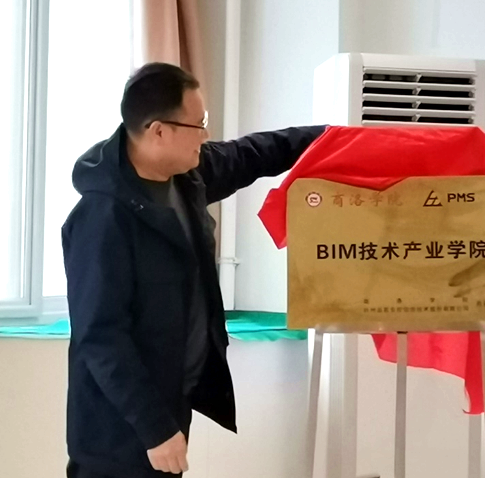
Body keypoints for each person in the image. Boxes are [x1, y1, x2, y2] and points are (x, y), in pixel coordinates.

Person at [62, 62, 326, 477]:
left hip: (171, 402)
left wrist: (335, 137)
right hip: (118, 431)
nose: (205, 135)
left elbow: (254, 152)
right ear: (158, 131)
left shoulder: (187, 178)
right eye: (198, 124)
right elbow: (101, 337)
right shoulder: (102, 218)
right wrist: (155, 429)